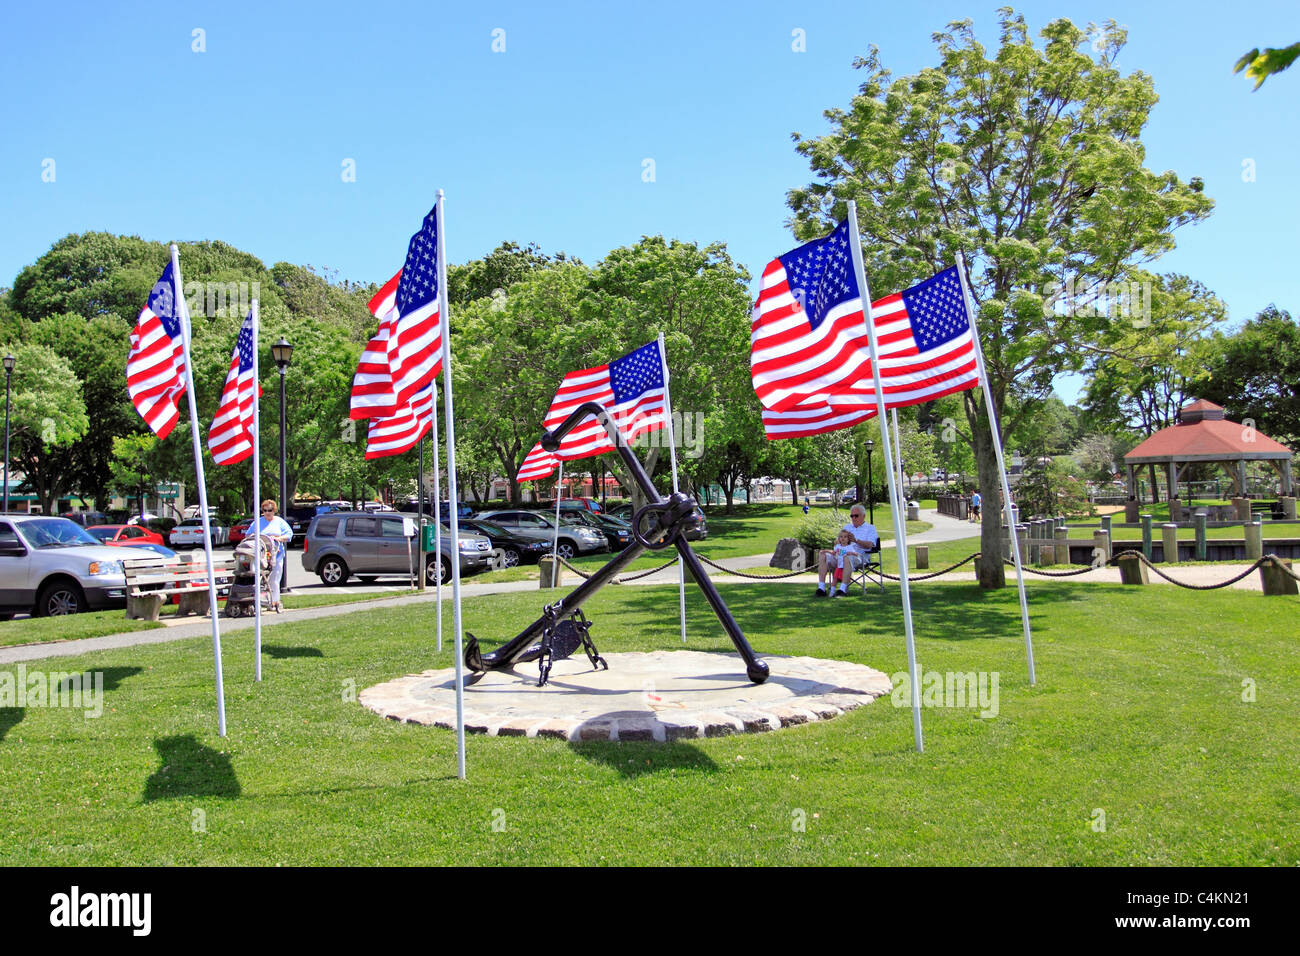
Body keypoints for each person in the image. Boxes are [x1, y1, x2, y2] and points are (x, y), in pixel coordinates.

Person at [815, 504, 879, 597]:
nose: (853, 518)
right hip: (840, 554)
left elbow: (870, 545)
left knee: (847, 556)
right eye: (852, 516)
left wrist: (855, 540)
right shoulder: (847, 527)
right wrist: (838, 541)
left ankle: (842, 590)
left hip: (859, 556)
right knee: (823, 554)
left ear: (863, 516)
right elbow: (837, 542)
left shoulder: (870, 528)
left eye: (856, 515)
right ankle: (821, 589)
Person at [256, 499, 293, 612]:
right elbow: (249, 534)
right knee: (260, 579)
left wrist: (278, 538)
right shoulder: (258, 522)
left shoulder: (279, 522)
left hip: (276, 555)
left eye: (270, 510)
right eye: (265, 510)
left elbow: (289, 534)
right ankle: (261, 601)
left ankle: (275, 601)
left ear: (274, 510)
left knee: (274, 579)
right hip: (261, 557)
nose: (268, 512)